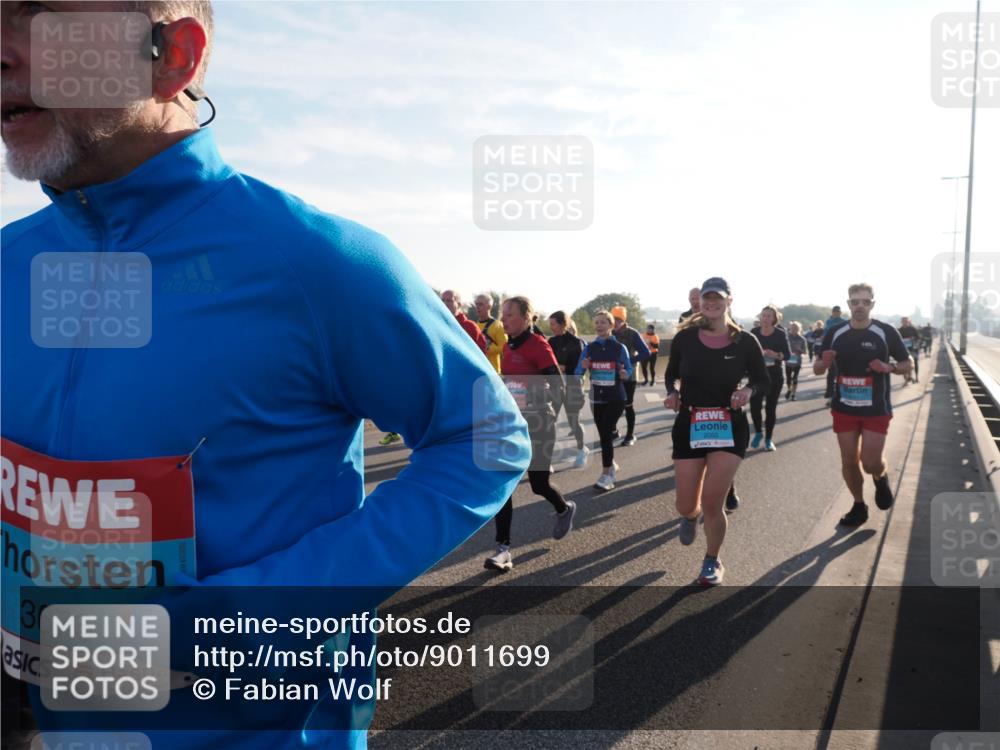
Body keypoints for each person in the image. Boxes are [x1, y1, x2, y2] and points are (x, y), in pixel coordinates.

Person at [0, 3, 531, 748]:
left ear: (174, 55)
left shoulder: (316, 261)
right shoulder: (9, 261)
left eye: (41, 16)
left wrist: (252, 616)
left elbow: (486, 438)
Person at [664, 278, 769, 585]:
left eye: (717, 298)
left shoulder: (746, 341)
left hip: (728, 425)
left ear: (729, 301)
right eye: (707, 298)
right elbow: (671, 373)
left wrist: (748, 391)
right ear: (701, 301)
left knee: (713, 502)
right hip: (690, 422)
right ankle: (689, 516)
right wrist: (672, 392)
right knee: (686, 505)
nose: (711, 303)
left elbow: (763, 380)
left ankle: (712, 560)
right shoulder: (685, 338)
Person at [486, 297, 577, 572]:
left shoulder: (538, 345)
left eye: (510, 314)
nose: (504, 319)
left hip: (539, 423)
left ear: (526, 318)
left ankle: (564, 508)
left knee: (539, 484)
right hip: (513, 425)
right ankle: (503, 549)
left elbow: (558, 387)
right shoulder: (507, 344)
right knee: (504, 484)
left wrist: (533, 400)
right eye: (503, 314)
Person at [813, 283, 912, 527]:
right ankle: (858, 505)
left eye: (864, 302)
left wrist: (888, 367)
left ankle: (880, 476)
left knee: (870, 462)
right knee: (848, 461)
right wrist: (824, 364)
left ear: (872, 304)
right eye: (854, 302)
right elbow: (817, 368)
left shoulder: (885, 331)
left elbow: (907, 363)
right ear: (848, 304)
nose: (859, 306)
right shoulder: (835, 332)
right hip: (844, 407)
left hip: (875, 409)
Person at [576, 310, 632, 490]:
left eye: (603, 322)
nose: (599, 325)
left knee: (606, 434)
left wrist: (624, 373)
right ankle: (611, 464)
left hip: (615, 397)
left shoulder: (619, 348)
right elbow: (578, 373)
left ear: (611, 326)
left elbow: (628, 370)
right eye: (597, 322)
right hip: (597, 398)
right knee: (603, 435)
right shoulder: (589, 348)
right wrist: (583, 368)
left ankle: (606, 475)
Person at [548, 310, 589, 469]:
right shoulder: (551, 341)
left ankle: (581, 449)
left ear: (562, 324)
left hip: (572, 386)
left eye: (553, 324)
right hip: (555, 386)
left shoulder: (575, 342)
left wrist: (560, 367)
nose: (550, 327)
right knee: (550, 421)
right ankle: (547, 459)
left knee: (573, 421)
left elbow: (576, 368)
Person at [749, 305, 791, 451]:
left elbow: (787, 355)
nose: (765, 318)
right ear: (759, 317)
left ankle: (768, 439)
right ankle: (759, 433)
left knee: (770, 408)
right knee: (754, 406)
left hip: (774, 374)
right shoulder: (754, 332)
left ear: (774, 319)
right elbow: (746, 353)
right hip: (756, 375)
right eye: (763, 315)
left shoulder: (780, 333)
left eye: (769, 316)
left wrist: (775, 355)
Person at [610, 305, 650, 446]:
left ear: (623, 319)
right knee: (613, 404)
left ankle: (630, 435)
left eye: (618, 319)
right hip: (612, 375)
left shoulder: (633, 333)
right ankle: (614, 430)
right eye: (613, 319)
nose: (615, 322)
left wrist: (628, 361)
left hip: (629, 375)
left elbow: (646, 352)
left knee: (627, 405)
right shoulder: (609, 334)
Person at [441, 289, 488, 353]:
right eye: (442, 300)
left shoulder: (470, 327)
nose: (445, 304)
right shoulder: (438, 324)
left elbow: (481, 353)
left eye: (449, 301)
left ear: (459, 304)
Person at [475, 293, 508, 374]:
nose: (477, 307)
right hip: (477, 370)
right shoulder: (475, 325)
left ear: (489, 306)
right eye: (476, 304)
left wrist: (487, 349)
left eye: (481, 304)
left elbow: (505, 347)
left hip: (492, 372)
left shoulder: (498, 325)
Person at [823, 306, 846, 405]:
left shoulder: (843, 321)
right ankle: (830, 396)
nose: (836, 313)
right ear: (832, 312)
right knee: (831, 373)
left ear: (840, 313)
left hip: (842, 349)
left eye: (838, 312)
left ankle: (842, 395)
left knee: (842, 373)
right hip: (831, 348)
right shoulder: (828, 322)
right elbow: (825, 334)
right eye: (834, 312)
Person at [785, 321, 807, 400]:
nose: (794, 330)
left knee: (795, 378)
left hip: (797, 360)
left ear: (799, 329)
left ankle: (793, 395)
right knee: (788, 378)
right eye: (793, 328)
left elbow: (805, 351)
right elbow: (783, 348)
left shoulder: (802, 339)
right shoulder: (787, 338)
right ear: (790, 329)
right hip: (788, 360)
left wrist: (799, 350)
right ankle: (789, 390)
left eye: (796, 328)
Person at [897, 316, 921, 385]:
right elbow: (896, 340)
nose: (905, 322)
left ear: (908, 322)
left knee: (915, 362)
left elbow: (918, 337)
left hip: (913, 349)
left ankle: (916, 377)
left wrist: (913, 338)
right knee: (903, 365)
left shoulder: (913, 329)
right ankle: (906, 379)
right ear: (901, 322)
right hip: (903, 350)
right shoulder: (899, 330)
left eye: (906, 321)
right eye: (903, 321)